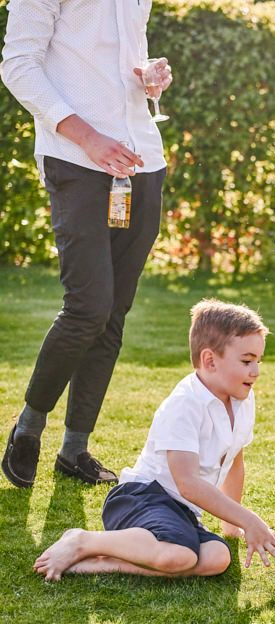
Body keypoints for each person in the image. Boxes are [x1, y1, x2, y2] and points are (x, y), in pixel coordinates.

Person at [1, 0, 171, 486]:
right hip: (75, 159)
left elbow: (115, 64)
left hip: (141, 160)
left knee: (114, 311)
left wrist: (149, 76)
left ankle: (74, 449)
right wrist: (88, 137)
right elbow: (18, 65)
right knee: (88, 306)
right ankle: (28, 428)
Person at [33, 300, 275, 581]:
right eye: (246, 361)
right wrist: (250, 519)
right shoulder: (185, 404)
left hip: (182, 511)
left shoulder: (243, 399)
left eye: (258, 361)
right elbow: (188, 484)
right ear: (210, 361)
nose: (255, 371)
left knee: (218, 558)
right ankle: (84, 540)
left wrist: (232, 527)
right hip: (143, 499)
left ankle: (100, 563)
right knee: (179, 555)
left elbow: (234, 461)